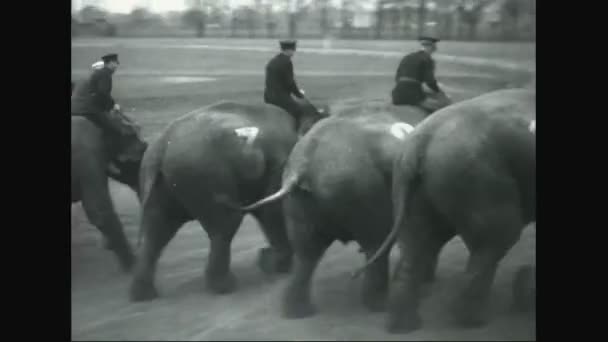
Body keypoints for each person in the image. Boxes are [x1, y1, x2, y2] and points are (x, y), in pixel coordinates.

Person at [71, 53, 141, 162]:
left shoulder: (93, 75)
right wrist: (113, 105)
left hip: (82, 108)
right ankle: (113, 158)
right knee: (114, 130)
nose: (117, 65)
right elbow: (103, 93)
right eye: (116, 63)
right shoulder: (105, 75)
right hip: (90, 110)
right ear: (110, 63)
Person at [391, 36, 452, 113]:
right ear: (432, 47)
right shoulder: (427, 59)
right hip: (413, 95)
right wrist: (440, 92)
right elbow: (430, 81)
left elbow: (397, 78)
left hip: (397, 94)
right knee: (443, 107)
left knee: (427, 96)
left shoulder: (407, 57)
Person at [264, 39, 307, 127]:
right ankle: (296, 133)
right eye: (293, 50)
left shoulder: (274, 60)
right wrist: (299, 94)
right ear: (289, 50)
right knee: (299, 111)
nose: (294, 52)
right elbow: (290, 82)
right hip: (279, 97)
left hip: (268, 95)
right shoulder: (286, 62)